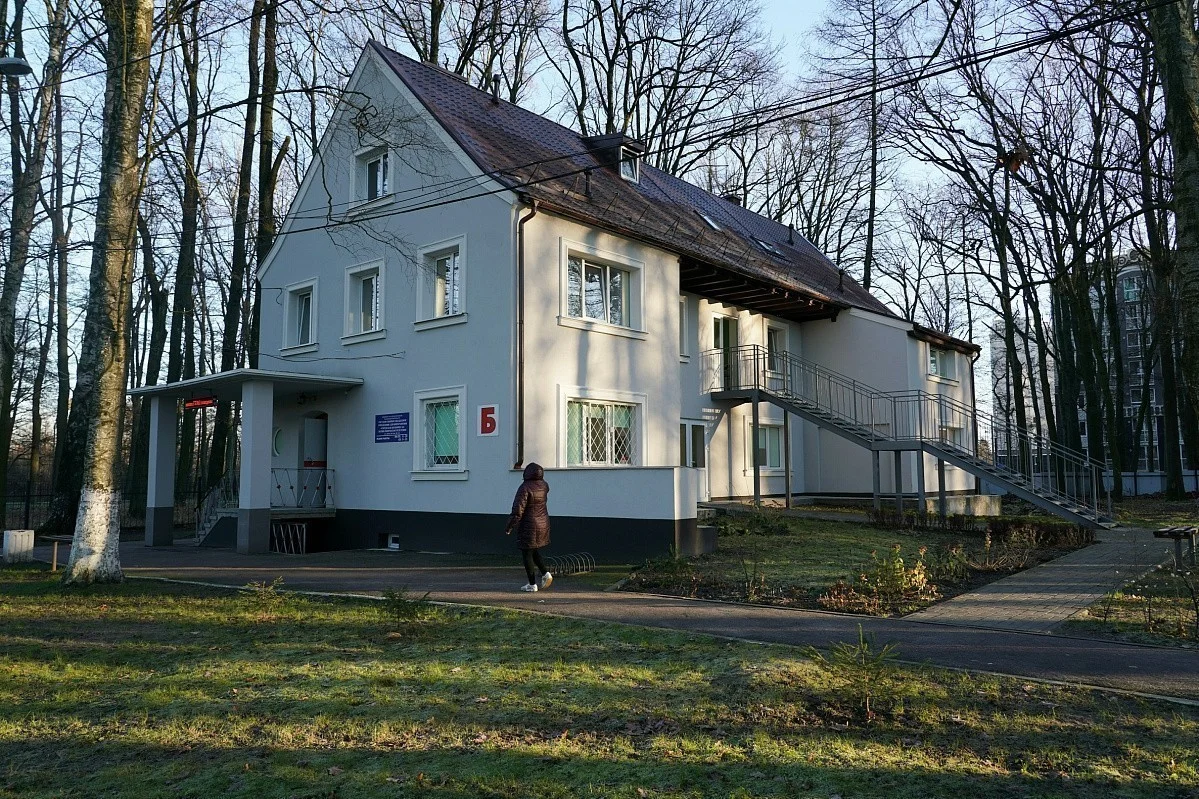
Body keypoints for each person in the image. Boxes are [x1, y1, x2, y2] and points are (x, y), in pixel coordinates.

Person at [504, 462, 553, 592]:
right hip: (542, 522)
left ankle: (532, 584)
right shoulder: (544, 486)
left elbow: (518, 510)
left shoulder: (525, 488)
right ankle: (546, 573)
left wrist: (509, 526)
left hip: (529, 525)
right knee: (533, 549)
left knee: (527, 553)